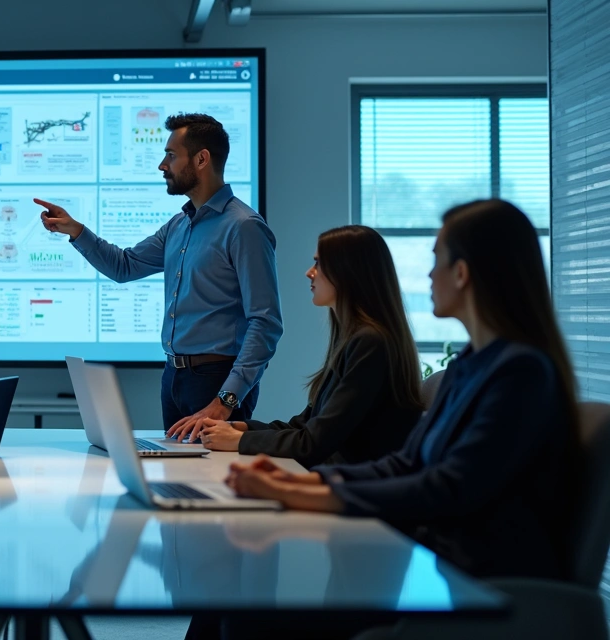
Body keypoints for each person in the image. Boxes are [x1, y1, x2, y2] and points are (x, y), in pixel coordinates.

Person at [227, 199, 578, 584]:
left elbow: (445, 488)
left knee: (247, 608)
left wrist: (306, 495)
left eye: (436, 259)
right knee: (233, 606)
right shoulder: (471, 364)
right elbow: (406, 463)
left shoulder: (521, 375)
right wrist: (297, 483)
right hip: (436, 562)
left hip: (480, 586)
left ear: (461, 273)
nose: (428, 275)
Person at [37, 113, 282, 430]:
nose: (162, 165)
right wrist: (75, 230)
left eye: (171, 155)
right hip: (174, 376)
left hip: (216, 380)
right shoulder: (179, 225)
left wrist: (227, 401)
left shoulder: (244, 227)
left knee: (213, 478)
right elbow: (125, 266)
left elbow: (266, 323)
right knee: (176, 475)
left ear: (201, 159)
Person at [168, 225, 423, 468]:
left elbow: (313, 442)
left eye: (319, 263)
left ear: (348, 272)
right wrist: (241, 428)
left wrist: (240, 441)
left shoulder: (370, 343)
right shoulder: (356, 339)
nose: (309, 272)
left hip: (350, 488)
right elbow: (305, 425)